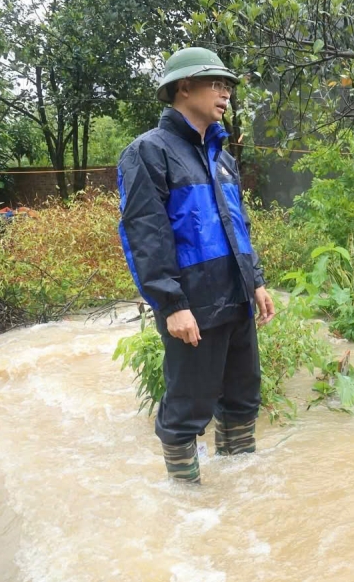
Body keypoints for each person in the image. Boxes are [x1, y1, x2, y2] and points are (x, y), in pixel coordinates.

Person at [118, 47, 275, 483]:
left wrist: (256, 282)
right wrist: (171, 305)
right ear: (184, 87)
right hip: (194, 304)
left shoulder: (222, 158)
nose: (225, 93)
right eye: (216, 84)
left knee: (244, 397)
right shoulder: (149, 152)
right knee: (188, 408)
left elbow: (237, 226)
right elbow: (145, 235)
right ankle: (187, 509)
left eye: (227, 86)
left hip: (236, 297)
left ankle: (240, 498)